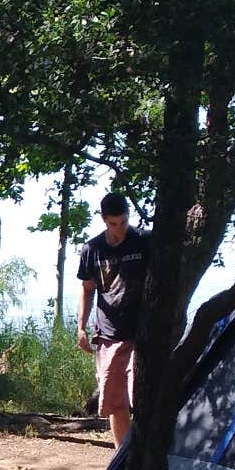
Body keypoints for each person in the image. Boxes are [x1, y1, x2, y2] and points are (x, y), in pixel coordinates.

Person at [76, 191, 151, 446]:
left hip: (143, 334)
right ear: (104, 220)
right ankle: (121, 459)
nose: (119, 229)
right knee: (115, 401)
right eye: (113, 224)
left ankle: (143, 459)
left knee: (142, 399)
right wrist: (81, 328)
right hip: (109, 335)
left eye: (123, 222)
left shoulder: (144, 240)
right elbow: (87, 289)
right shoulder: (92, 249)